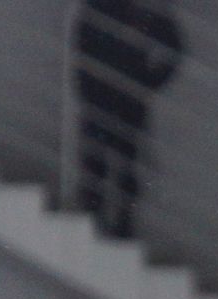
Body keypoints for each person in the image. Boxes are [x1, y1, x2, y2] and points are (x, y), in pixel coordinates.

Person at [72, 0, 182, 239]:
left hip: (121, 98)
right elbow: (81, 46)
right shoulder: (112, 6)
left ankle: (116, 223)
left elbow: (175, 47)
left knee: (121, 163)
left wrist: (148, 81)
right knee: (102, 160)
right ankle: (98, 219)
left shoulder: (144, 8)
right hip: (108, 97)